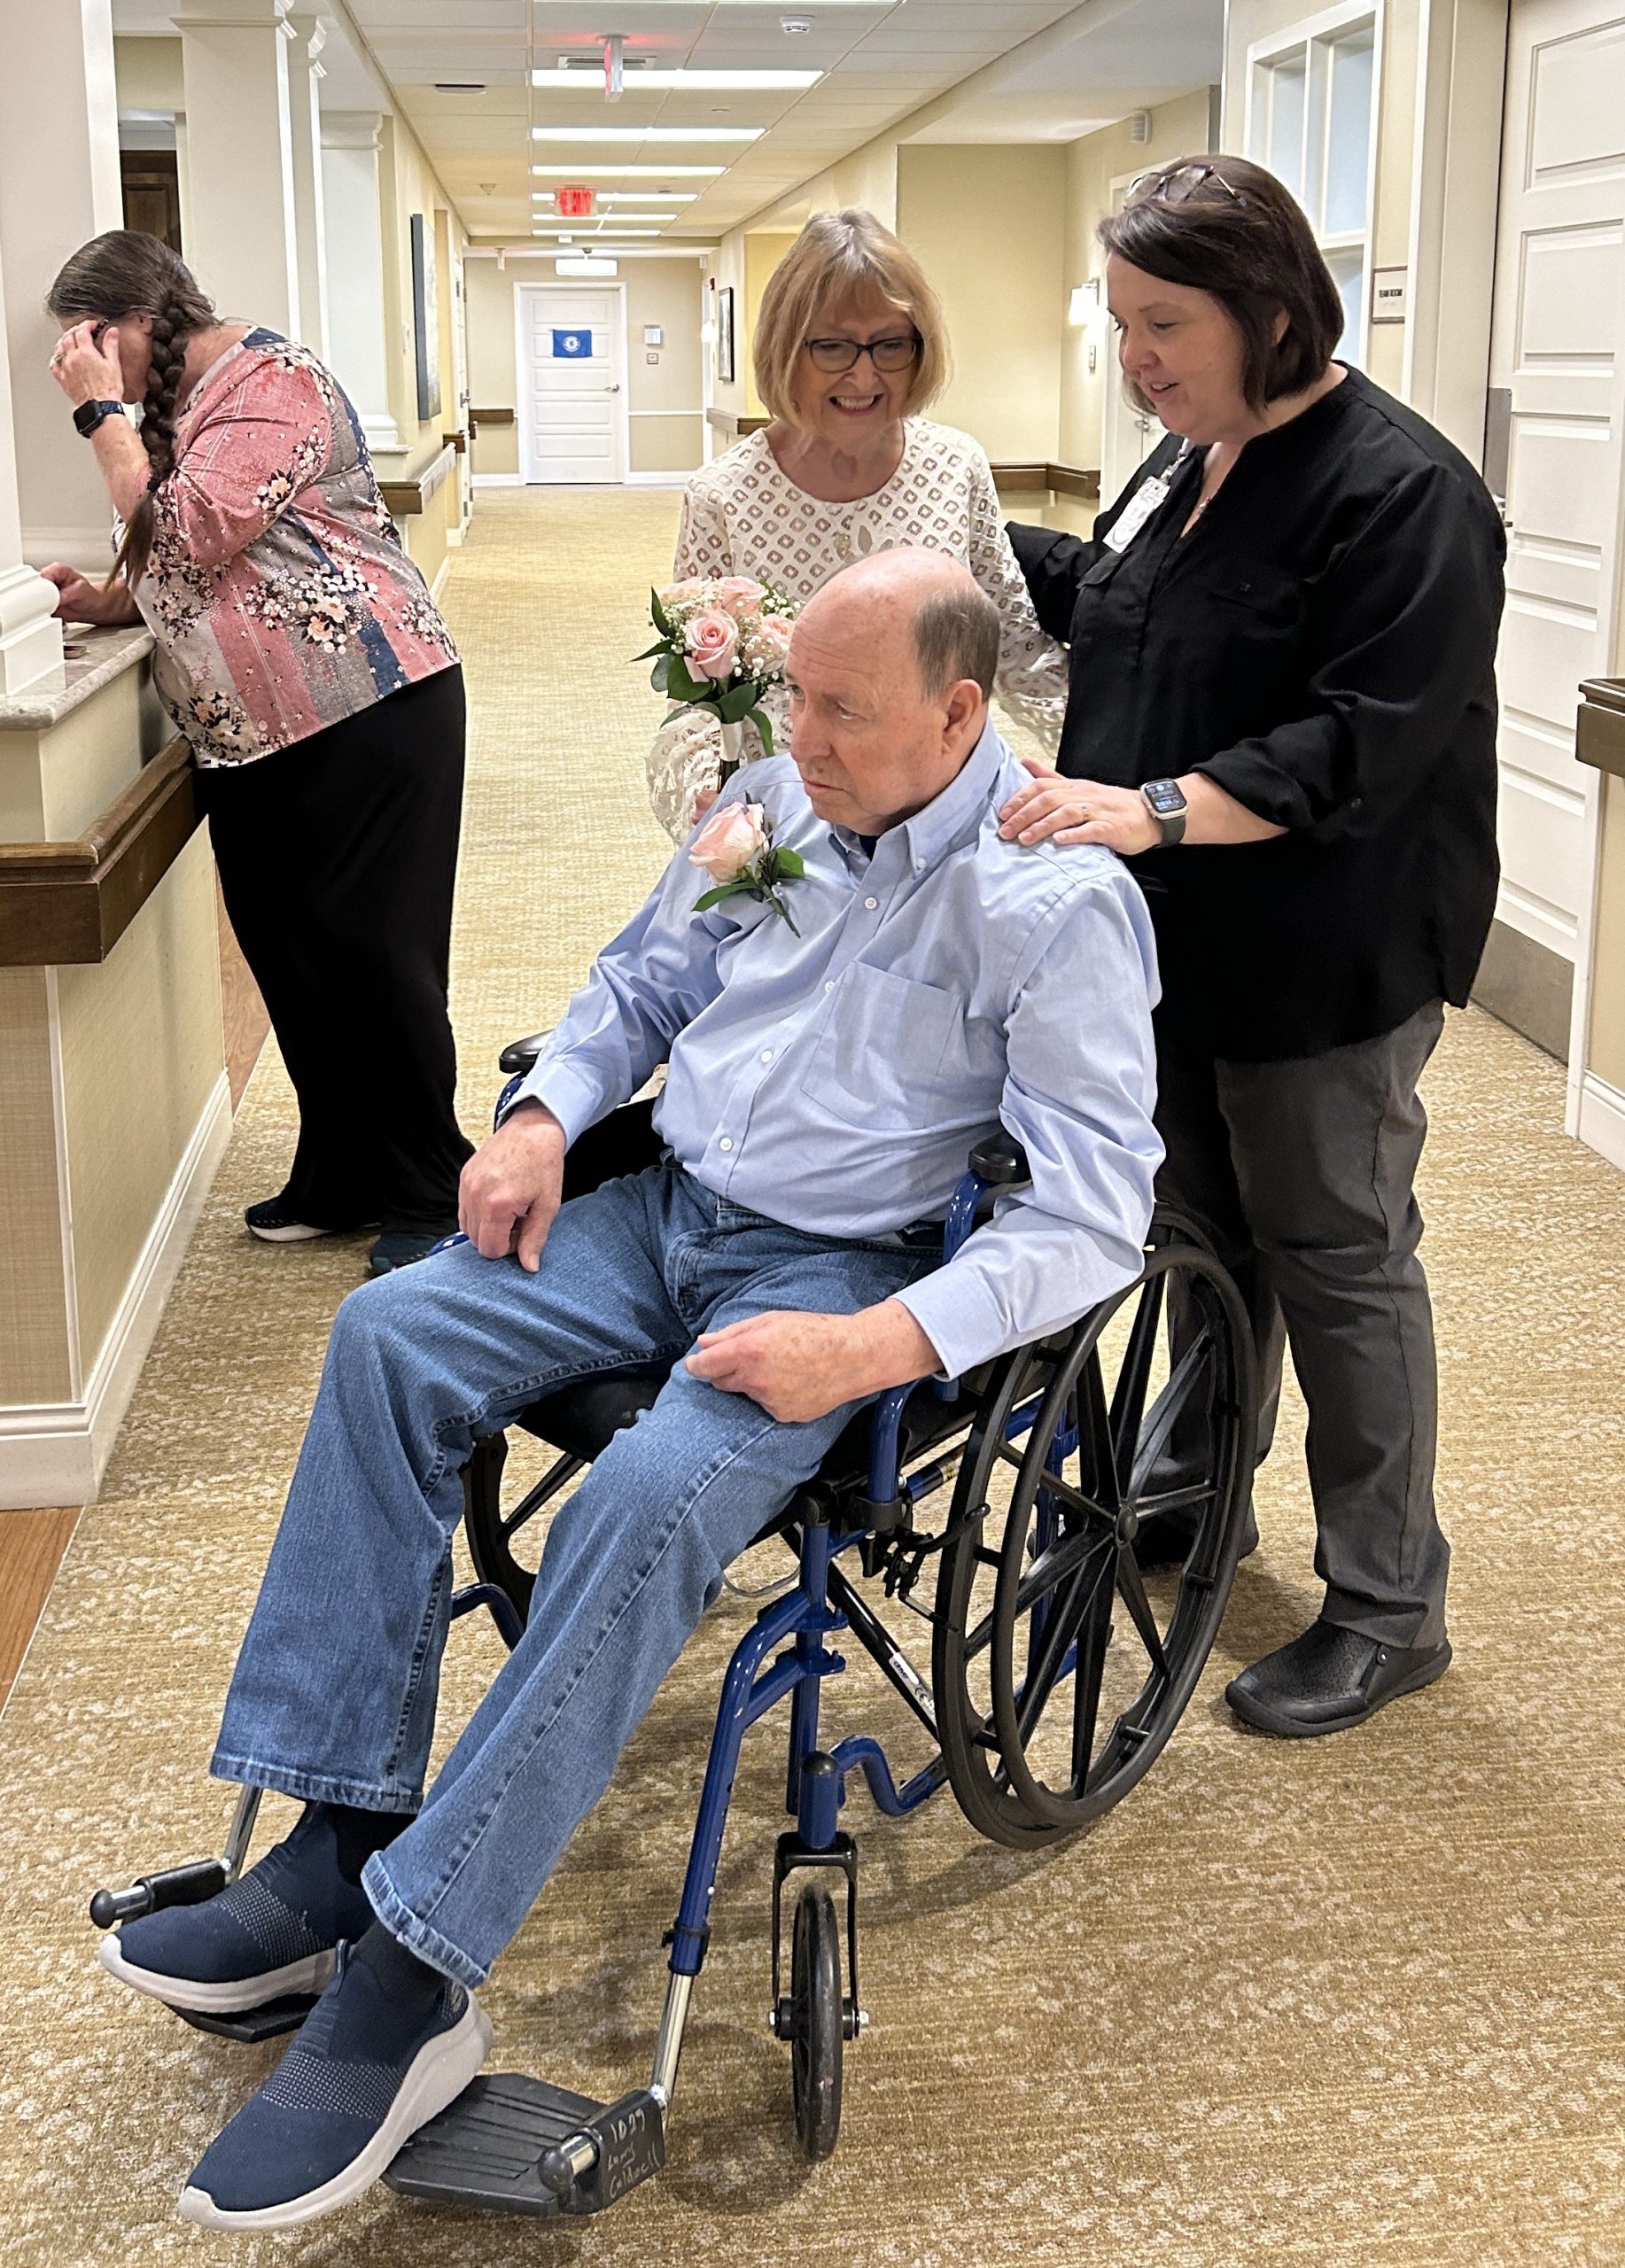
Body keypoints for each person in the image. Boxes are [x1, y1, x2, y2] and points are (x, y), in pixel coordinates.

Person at [94, 550, 1162, 2231]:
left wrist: (869, 1347)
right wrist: (540, 1119)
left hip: (843, 1274)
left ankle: (414, 1968)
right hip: (664, 1207)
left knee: (647, 1496)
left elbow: (1096, 1211)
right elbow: (641, 983)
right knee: (388, 1335)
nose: (789, 734)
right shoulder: (769, 800)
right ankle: (331, 1837)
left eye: (839, 709)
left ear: (961, 714)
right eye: (791, 692)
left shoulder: (1050, 902)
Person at [1000, 156, 1506, 1740]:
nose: (1135, 357)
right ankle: (1197, 1472)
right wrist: (974, 528)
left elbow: (1354, 744)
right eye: (1122, 325)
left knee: (1334, 1252)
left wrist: (1140, 807)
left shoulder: (1400, 494)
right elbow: (1128, 611)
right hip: (1168, 936)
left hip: (1322, 949)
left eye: (1163, 324)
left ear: (1269, 313)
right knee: (1199, 1231)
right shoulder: (1182, 457)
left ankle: (1383, 1602)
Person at [43, 230, 472, 1275]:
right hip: (247, 742)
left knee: (381, 960)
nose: (83, 367)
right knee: (298, 961)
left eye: (90, 344)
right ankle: (342, 1172)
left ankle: (429, 1189)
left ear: (134, 321)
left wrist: (99, 414)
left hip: (369, 708)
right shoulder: (175, 408)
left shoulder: (268, 379)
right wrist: (111, 597)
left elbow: (193, 526)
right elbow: (178, 558)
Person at [645, 206, 1068, 839]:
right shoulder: (723, 496)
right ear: (787, 348)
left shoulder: (956, 466)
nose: (865, 375)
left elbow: (1014, 646)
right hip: (794, 818)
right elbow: (698, 700)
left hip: (943, 815)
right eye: (833, 346)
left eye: (891, 344)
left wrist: (1109, 770)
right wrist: (709, 800)